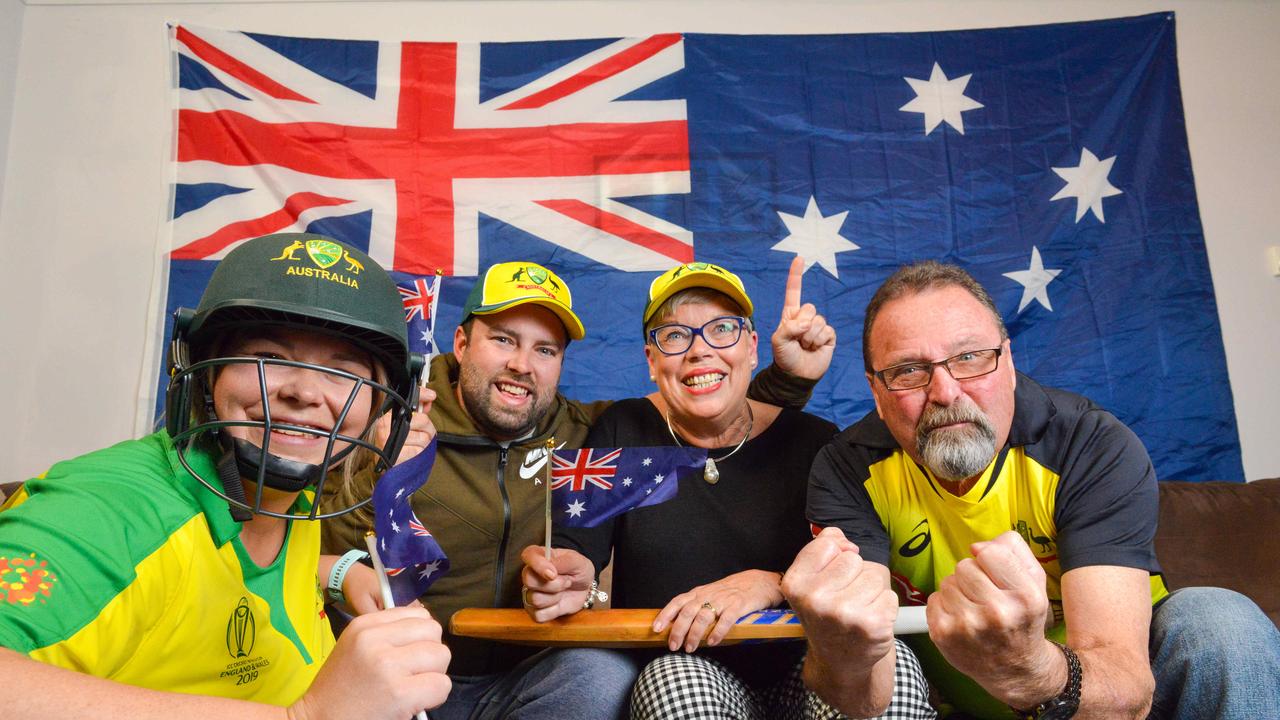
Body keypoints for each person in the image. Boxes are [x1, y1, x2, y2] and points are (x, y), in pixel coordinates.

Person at [321, 257, 836, 719]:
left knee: (599, 674)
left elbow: (704, 406)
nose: (522, 365)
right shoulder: (390, 417)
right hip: (406, 667)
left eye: (544, 349)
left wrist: (787, 382)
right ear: (460, 344)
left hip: (532, 675)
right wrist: (377, 468)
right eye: (503, 339)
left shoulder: (594, 434)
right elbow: (304, 549)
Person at [786, 260, 1280, 719]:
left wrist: (1029, 666)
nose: (946, 392)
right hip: (971, 703)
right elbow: (864, 699)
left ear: (1008, 362)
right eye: (908, 371)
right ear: (875, 391)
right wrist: (836, 650)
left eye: (971, 357)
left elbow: (1127, 689)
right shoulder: (848, 469)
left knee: (1220, 619)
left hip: (1110, 700)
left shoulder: (1090, 444)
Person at [0, 233, 451, 719]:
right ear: (207, 374)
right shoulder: (107, 509)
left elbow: (234, 568)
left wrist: (337, 574)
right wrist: (308, 716)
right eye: (269, 359)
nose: (303, 392)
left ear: (381, 405)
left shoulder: (291, 497)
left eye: (342, 372)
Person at [521, 261, 936, 720]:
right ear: (651, 361)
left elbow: (854, 576)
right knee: (672, 684)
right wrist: (566, 576)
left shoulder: (814, 440)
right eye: (675, 336)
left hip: (814, 663)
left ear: (753, 348)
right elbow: (579, 548)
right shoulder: (624, 430)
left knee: (892, 671)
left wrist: (769, 583)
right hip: (691, 669)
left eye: (722, 329)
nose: (700, 351)